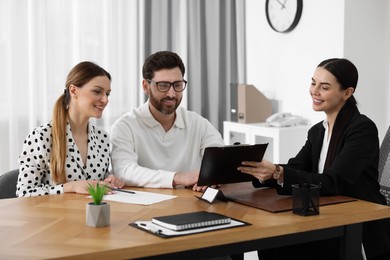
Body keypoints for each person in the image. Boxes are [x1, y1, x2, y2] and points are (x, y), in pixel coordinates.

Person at [238, 58, 390, 260]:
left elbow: (332, 182)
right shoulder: (317, 132)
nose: (314, 91)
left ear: (347, 93)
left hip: (357, 225)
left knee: (278, 245)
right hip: (327, 215)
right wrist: (267, 171)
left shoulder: (362, 129)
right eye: (313, 83)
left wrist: (278, 172)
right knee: (271, 243)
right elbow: (296, 168)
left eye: (324, 87)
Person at [110, 51, 224, 191]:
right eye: (163, 85)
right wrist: (177, 178)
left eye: (177, 85)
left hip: (190, 203)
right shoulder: (125, 126)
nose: (171, 94)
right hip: (142, 208)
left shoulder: (198, 123)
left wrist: (212, 176)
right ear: (146, 86)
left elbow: (220, 160)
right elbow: (125, 171)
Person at [17, 61, 124, 197]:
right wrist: (71, 186)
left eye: (107, 94)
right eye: (97, 91)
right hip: (56, 217)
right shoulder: (42, 137)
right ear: (73, 91)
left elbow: (95, 180)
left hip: (91, 214)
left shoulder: (102, 138)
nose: (105, 100)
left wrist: (109, 179)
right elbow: (24, 193)